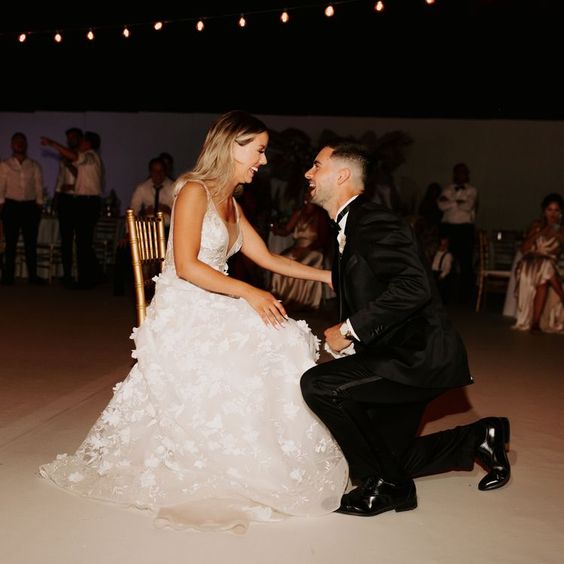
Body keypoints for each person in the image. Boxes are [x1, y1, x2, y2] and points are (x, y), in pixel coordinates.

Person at [40, 111, 348, 533]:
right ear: (231, 146)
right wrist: (248, 292)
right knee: (272, 335)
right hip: (184, 306)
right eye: (258, 151)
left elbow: (269, 258)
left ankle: (261, 455)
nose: (262, 161)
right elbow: (185, 265)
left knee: (285, 335)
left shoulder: (232, 202)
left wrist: (332, 276)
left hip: (214, 299)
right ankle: (240, 457)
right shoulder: (192, 190)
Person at [300, 142, 511, 518]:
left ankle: (392, 489)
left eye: (316, 166)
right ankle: (480, 437)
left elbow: (415, 287)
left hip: (416, 358)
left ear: (343, 175)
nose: (308, 174)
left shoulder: (372, 220)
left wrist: (349, 330)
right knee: (383, 457)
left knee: (319, 384)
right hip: (396, 353)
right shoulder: (350, 225)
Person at [41, 131, 104, 289]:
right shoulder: (90, 157)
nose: (79, 144)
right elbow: (73, 163)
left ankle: (87, 279)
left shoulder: (90, 156)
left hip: (87, 203)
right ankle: (89, 277)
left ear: (88, 143)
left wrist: (52, 143)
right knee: (83, 242)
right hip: (84, 202)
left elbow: (74, 157)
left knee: (83, 243)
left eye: (81, 141)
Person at [512, 193, 564, 333]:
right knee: (544, 268)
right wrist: (540, 233)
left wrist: (557, 234)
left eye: (556, 210)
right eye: (549, 210)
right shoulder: (536, 225)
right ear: (544, 211)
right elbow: (523, 249)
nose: (552, 213)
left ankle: (535, 322)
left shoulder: (562, 230)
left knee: (546, 268)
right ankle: (562, 294)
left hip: (549, 265)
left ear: (561, 213)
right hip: (530, 263)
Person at [270, 195, 330, 310]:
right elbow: (286, 230)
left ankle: (304, 300)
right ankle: (282, 297)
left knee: (309, 258)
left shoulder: (320, 215)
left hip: (313, 248)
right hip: (297, 246)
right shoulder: (299, 213)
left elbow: (323, 239)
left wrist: (307, 248)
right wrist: (275, 229)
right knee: (283, 258)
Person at [0, 132, 44, 285]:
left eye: (22, 141)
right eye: (16, 141)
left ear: (26, 144)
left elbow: (38, 186)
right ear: (12, 145)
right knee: (10, 243)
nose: (19, 143)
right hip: (11, 205)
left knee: (30, 243)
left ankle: (33, 277)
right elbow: (1, 185)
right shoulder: (5, 165)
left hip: (30, 207)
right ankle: (8, 277)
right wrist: (1, 204)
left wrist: (39, 204)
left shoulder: (34, 165)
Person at [438, 163, 478, 304]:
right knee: (446, 260)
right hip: (448, 228)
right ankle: (444, 295)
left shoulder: (472, 190)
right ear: (455, 174)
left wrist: (451, 202)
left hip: (464, 229)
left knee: (466, 262)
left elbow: (468, 206)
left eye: (464, 172)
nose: (462, 175)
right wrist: (458, 201)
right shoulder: (447, 188)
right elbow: (441, 205)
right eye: (459, 172)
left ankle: (466, 297)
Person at [52, 127, 83, 287]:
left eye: (73, 137)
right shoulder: (64, 157)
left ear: (80, 139)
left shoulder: (84, 156)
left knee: (80, 240)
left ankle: (80, 274)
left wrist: (68, 164)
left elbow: (83, 176)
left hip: (78, 200)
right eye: (69, 137)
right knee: (65, 239)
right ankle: (67, 274)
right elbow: (60, 180)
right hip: (65, 200)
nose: (71, 140)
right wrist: (56, 198)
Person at [431, 235, 454, 304]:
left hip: (440, 274)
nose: (442, 245)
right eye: (441, 243)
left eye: (445, 244)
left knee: (441, 290)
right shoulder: (436, 253)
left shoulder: (448, 255)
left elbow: (447, 267)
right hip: (433, 272)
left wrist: (442, 275)